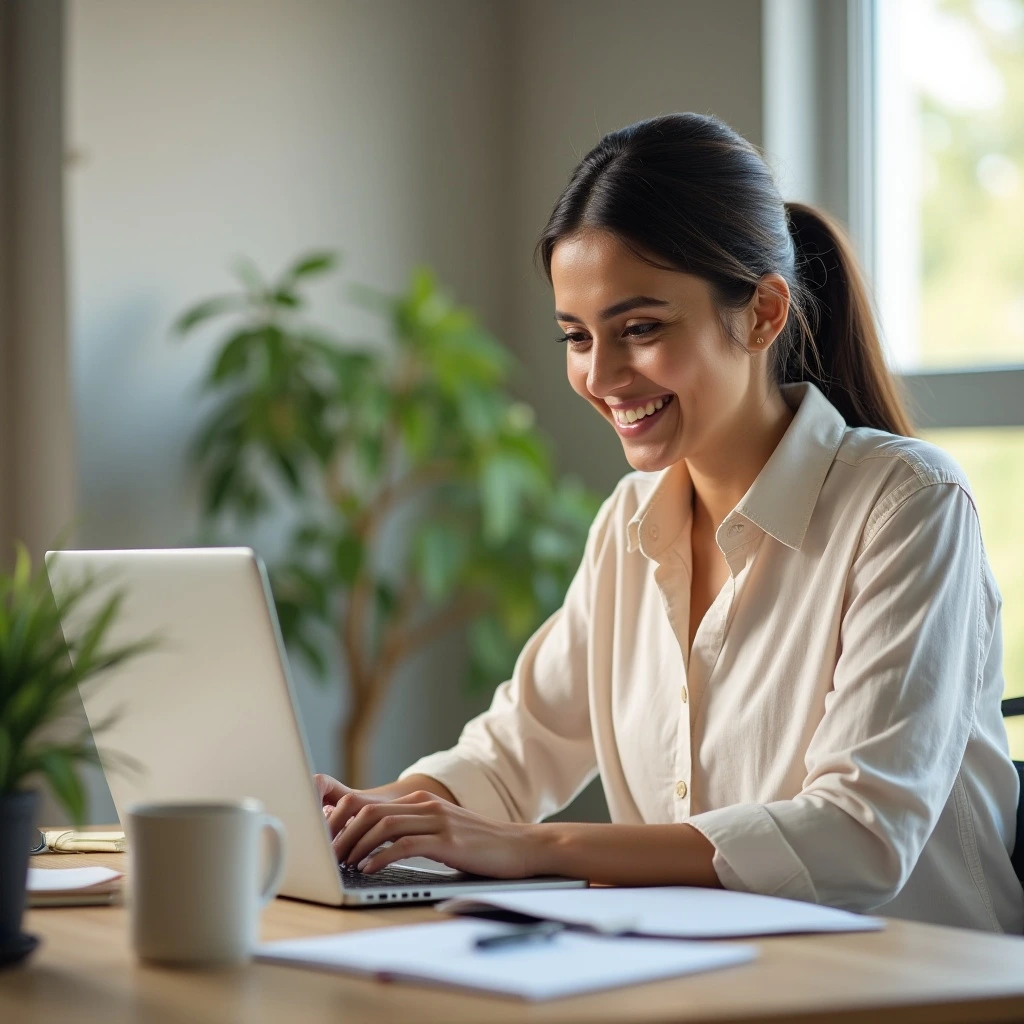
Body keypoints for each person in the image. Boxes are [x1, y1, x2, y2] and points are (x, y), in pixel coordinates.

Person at [315, 112, 1024, 933]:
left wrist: (534, 848)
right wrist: (360, 817)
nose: (601, 374)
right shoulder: (630, 521)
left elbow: (858, 835)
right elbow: (510, 754)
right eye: (577, 337)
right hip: (709, 976)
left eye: (640, 329)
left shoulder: (907, 504)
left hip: (922, 982)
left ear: (762, 314)